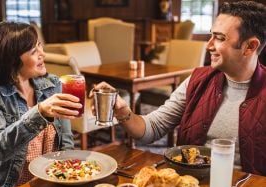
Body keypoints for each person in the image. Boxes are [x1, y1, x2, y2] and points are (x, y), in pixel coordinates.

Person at [92, 1, 266, 176]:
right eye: (211, 35)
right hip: (191, 186)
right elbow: (153, 127)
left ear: (250, 46)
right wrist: (123, 112)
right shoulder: (198, 80)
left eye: (220, 38)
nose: (209, 45)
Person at [0, 21, 82, 187]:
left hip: (45, 184)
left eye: (40, 46)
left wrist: (67, 179)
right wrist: (40, 113)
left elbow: (65, 143)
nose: (43, 54)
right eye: (34, 51)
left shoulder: (52, 85)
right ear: (11, 60)